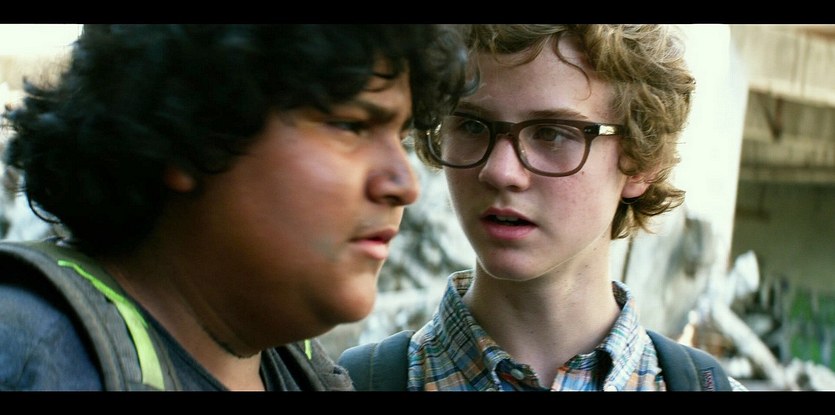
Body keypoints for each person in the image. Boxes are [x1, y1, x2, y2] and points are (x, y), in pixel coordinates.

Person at [0, 24, 468, 391]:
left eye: (401, 136)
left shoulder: (304, 371)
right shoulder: (35, 354)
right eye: (351, 125)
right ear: (191, 128)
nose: (405, 185)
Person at [343, 24, 747, 391]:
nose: (500, 171)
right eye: (471, 125)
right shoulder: (353, 384)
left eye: (552, 133)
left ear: (640, 162)